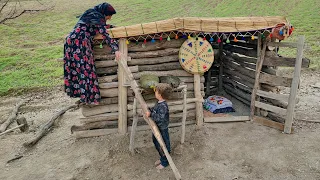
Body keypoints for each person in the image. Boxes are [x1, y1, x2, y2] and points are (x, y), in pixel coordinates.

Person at [63, 3, 121, 105]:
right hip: (80, 42)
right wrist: (116, 49)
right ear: (104, 13)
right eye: (109, 15)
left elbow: (99, 26)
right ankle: (90, 99)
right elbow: (104, 34)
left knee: (78, 69)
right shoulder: (97, 17)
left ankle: (83, 97)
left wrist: (112, 27)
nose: (110, 18)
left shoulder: (91, 14)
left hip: (70, 41)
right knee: (86, 69)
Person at [145, 83, 172, 169]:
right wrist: (150, 110)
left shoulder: (163, 106)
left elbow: (159, 117)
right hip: (157, 127)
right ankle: (162, 158)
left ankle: (165, 162)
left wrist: (150, 114)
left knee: (163, 145)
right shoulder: (159, 103)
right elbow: (155, 110)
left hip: (162, 128)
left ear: (160, 94)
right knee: (156, 142)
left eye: (156, 91)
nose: (155, 93)